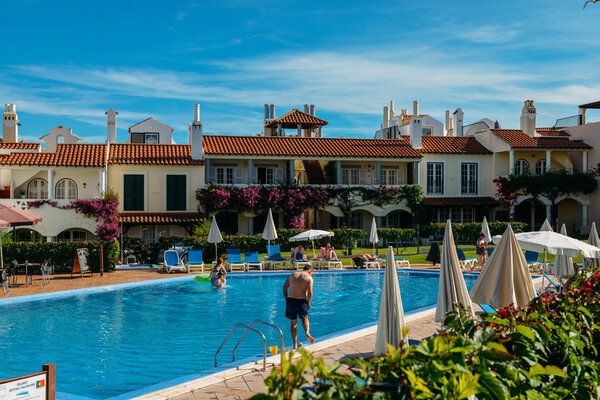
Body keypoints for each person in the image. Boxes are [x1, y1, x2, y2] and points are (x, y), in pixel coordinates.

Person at [282, 265, 315, 348]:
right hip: (302, 301)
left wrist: (286, 299)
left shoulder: (293, 275)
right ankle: (307, 332)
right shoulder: (309, 278)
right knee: (304, 319)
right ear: (310, 271)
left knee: (293, 323)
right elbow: (310, 292)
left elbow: (284, 287)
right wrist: (309, 302)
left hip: (291, 300)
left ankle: (294, 345)